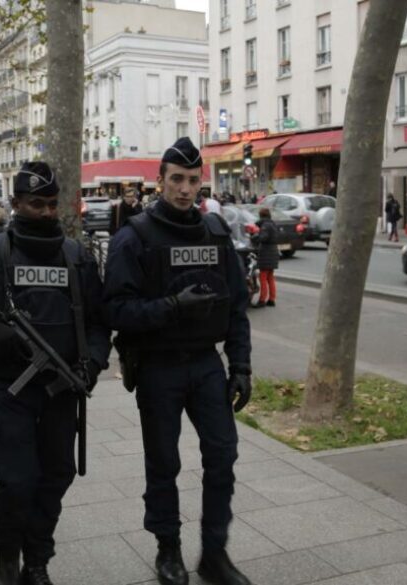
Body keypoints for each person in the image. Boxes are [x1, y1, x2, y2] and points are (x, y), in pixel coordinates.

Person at [0, 161, 111, 585]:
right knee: (16, 480)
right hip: (8, 388)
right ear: (15, 203)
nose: (47, 212)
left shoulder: (77, 257)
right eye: (37, 204)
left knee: (56, 476)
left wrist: (92, 363)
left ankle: (37, 560)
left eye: (53, 204)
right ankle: (6, 554)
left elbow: (99, 321)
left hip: (61, 388)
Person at [103, 137, 253, 585]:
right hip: (158, 366)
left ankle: (214, 553)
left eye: (192, 180)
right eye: (176, 180)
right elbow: (114, 311)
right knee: (163, 463)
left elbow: (236, 307)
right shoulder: (134, 237)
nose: (185, 189)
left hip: (206, 364)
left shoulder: (215, 233)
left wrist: (240, 365)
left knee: (223, 456)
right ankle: (168, 550)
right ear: (159, 181)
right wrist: (172, 306)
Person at [251, 207, 279, 308]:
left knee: (262, 277)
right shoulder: (272, 224)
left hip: (267, 252)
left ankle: (262, 300)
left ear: (261, 216)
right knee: (270, 277)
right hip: (273, 251)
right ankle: (272, 299)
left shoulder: (266, 225)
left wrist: (253, 237)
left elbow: (263, 237)